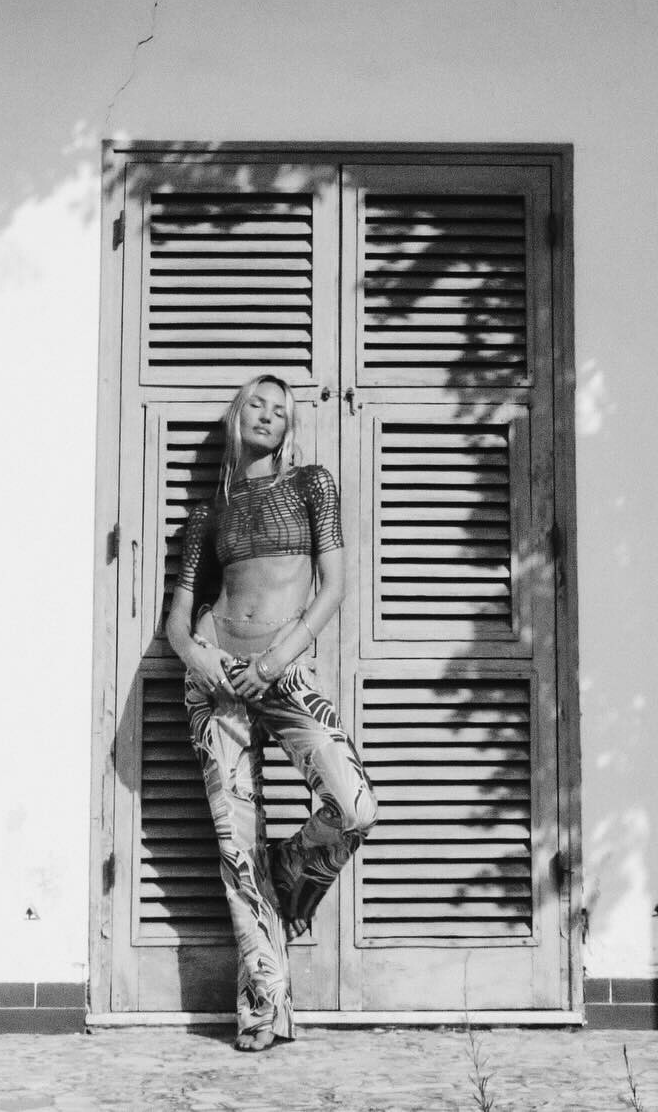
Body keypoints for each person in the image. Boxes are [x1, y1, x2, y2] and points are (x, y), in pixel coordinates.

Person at [165, 372, 378, 1053]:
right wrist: (197, 659)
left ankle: (290, 872)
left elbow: (334, 587)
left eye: (279, 409)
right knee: (238, 852)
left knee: (354, 805)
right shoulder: (209, 515)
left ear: (289, 427)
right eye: (256, 404)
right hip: (216, 680)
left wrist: (276, 658)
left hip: (283, 672)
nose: (267, 414)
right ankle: (264, 1013)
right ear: (238, 417)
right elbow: (176, 622)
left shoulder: (312, 485)